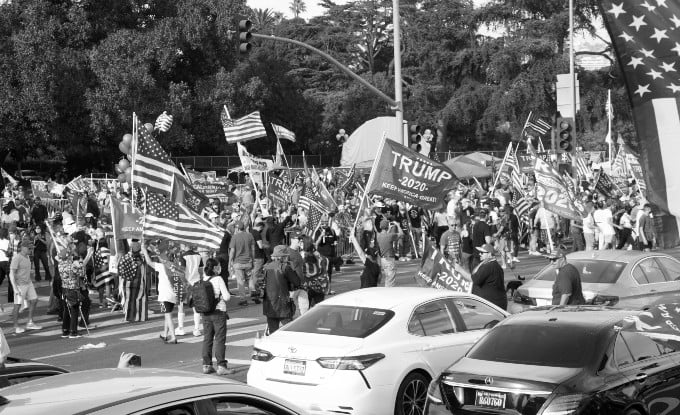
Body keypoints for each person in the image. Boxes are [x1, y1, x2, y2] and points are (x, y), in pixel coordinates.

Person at [200, 258, 235, 375]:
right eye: (219, 266)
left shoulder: (203, 279)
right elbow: (226, 297)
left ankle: (206, 365)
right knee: (220, 339)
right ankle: (221, 366)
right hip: (218, 312)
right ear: (215, 268)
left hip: (205, 313)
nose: (220, 268)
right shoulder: (218, 279)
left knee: (207, 339)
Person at [140, 243, 178, 345]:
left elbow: (148, 262)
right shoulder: (174, 266)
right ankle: (165, 334)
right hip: (173, 294)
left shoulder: (162, 266)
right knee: (168, 314)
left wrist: (144, 250)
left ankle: (173, 336)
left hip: (164, 295)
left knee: (168, 316)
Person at [262, 245, 300, 334]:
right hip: (283, 304)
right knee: (289, 331)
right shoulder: (285, 267)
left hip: (269, 304)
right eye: (286, 256)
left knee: (272, 333)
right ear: (283, 257)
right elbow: (297, 282)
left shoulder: (266, 267)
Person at [57, 243, 91, 338]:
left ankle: (65, 330)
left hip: (64, 288)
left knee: (66, 311)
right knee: (74, 309)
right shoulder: (71, 266)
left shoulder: (60, 265)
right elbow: (81, 272)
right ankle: (73, 332)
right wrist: (88, 256)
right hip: (72, 289)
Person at [9, 240, 43, 334]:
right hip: (20, 285)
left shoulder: (27, 257)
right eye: (29, 248)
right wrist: (15, 288)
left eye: (31, 248)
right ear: (23, 248)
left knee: (34, 300)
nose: (31, 250)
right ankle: (16, 326)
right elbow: (11, 274)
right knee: (17, 304)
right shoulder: (17, 258)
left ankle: (30, 322)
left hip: (28, 283)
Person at [118, 240, 149, 322]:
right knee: (138, 299)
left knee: (130, 300)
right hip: (137, 283)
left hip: (130, 283)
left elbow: (121, 272)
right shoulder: (142, 258)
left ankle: (130, 317)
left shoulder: (127, 257)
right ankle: (139, 317)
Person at [470, 243, 507, 310]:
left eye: (482, 252)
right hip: (494, 304)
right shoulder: (491, 264)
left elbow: (475, 279)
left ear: (489, 254)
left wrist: (460, 270)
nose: (479, 254)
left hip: (492, 306)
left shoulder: (489, 266)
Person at [228, 222, 257, 306]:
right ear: (244, 227)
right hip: (248, 262)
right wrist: (253, 259)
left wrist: (230, 262)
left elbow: (232, 251)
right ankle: (253, 294)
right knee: (250, 279)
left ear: (236, 228)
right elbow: (253, 249)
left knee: (240, 281)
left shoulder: (234, 237)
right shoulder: (250, 235)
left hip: (238, 262)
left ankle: (243, 299)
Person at [376, 219, 402, 287]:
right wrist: (398, 225)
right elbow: (401, 234)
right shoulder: (390, 236)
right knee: (390, 281)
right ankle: (389, 294)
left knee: (387, 278)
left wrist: (388, 229)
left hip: (381, 259)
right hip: (389, 259)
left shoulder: (378, 235)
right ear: (387, 227)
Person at [288, 232, 309, 314]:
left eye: (301, 239)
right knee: (290, 311)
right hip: (292, 287)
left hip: (302, 286)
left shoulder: (298, 253)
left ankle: (304, 325)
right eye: (298, 239)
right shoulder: (288, 252)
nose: (301, 241)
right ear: (292, 239)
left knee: (305, 310)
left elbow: (301, 268)